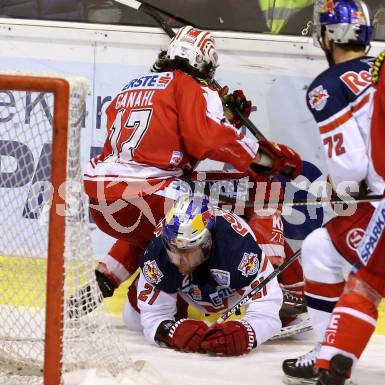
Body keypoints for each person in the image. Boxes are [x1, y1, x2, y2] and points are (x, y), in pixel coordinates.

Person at [82, 25, 303, 302]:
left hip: (105, 204)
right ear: (205, 64)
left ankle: (105, 278)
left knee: (164, 226)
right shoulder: (190, 86)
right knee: (260, 193)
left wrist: (226, 120)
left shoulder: (131, 88)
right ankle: (274, 285)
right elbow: (208, 139)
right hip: (150, 196)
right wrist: (268, 159)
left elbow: (174, 145)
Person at [281, 0, 385, 385]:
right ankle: (327, 353)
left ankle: (331, 357)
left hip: (380, 201)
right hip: (376, 198)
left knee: (350, 272)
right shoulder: (377, 72)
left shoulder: (327, 87)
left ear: (327, 35)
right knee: (321, 248)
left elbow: (351, 169)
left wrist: (333, 184)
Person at [307, 50, 385, 385]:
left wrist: (346, 187)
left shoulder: (336, 82)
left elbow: (361, 168)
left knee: (365, 285)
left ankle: (330, 362)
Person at [122, 194, 283, 355]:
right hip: (189, 291)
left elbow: (266, 308)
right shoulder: (160, 254)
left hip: (236, 288)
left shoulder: (239, 251)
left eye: (186, 251)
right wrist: (172, 332)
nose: (178, 260)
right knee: (132, 319)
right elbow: (154, 316)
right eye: (173, 250)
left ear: (206, 243)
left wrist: (247, 332)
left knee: (293, 326)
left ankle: (287, 289)